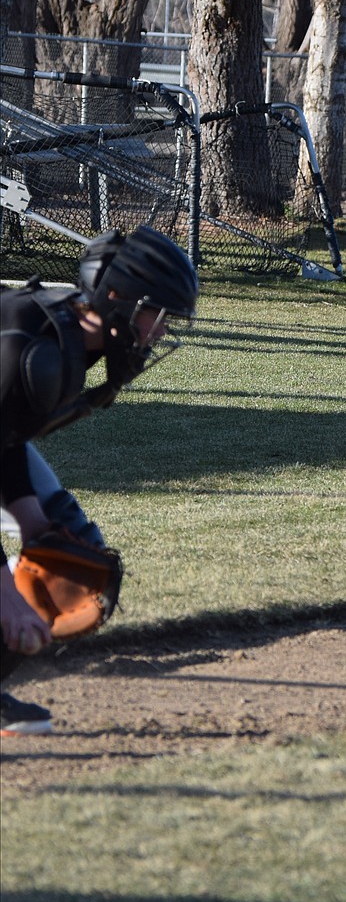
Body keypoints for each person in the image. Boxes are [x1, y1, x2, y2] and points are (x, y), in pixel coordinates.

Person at [1, 224, 199, 734]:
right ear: (115, 297)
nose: (159, 332)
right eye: (155, 314)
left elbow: (7, 437)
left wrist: (30, 524)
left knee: (66, 549)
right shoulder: (27, 352)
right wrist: (3, 591)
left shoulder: (73, 338)